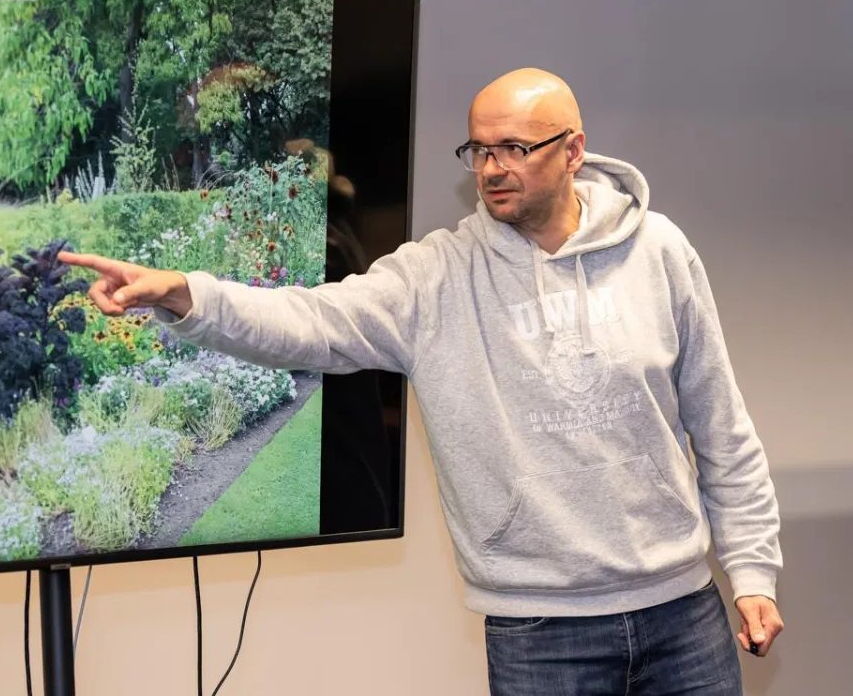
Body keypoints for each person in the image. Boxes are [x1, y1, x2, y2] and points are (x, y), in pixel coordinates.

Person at [58, 67, 784, 695]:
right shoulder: (435, 275)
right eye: (479, 149)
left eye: (514, 149)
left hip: (683, 611)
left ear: (573, 152)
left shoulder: (658, 252)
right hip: (539, 628)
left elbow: (722, 426)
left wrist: (751, 572)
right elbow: (310, 320)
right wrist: (188, 293)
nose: (492, 168)